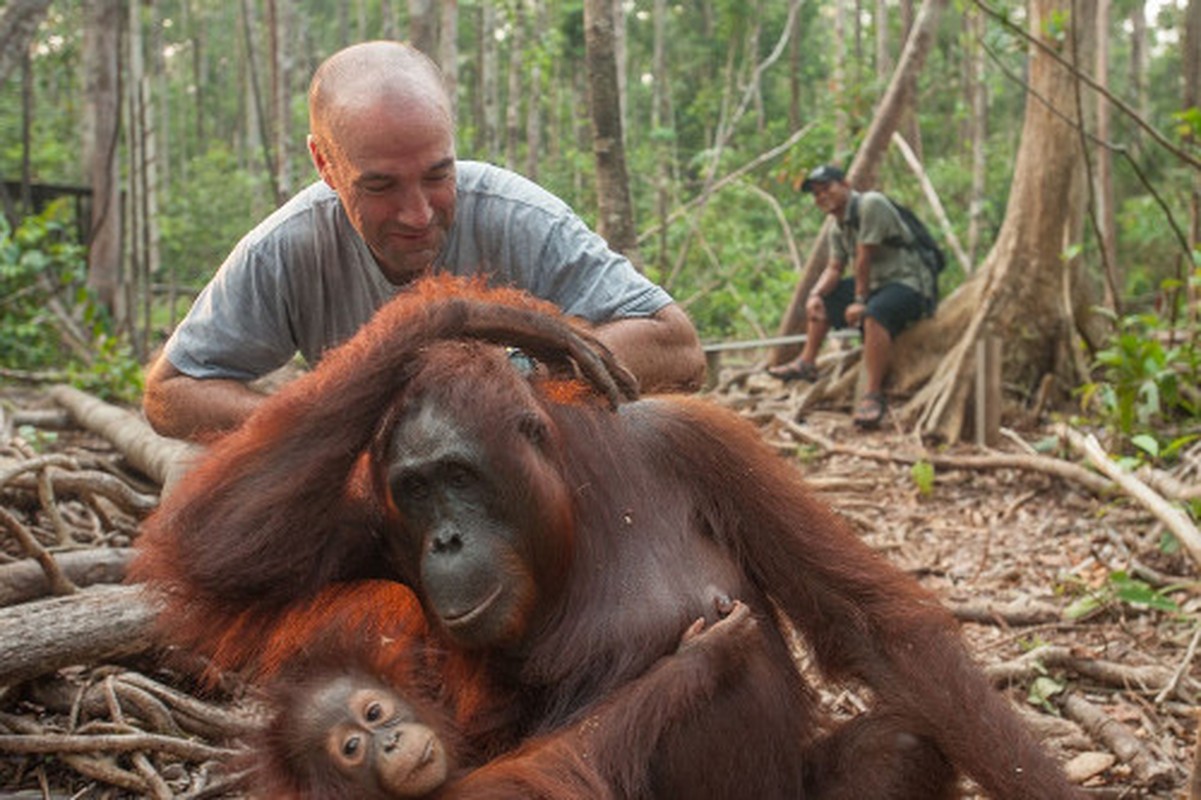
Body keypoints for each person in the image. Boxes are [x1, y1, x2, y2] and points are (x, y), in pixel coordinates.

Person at [143, 40, 705, 441]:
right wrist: (319, 420)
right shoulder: (290, 247)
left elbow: (678, 348)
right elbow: (169, 393)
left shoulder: (515, 216)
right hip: (376, 481)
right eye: (381, 185)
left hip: (526, 463)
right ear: (326, 164)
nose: (417, 214)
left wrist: (511, 378)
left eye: (438, 175)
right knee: (197, 496)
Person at [768, 165, 934, 428]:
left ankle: (872, 395)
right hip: (876, 287)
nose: (822, 197)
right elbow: (835, 268)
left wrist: (859, 302)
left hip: (908, 284)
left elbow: (864, 256)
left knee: (874, 313)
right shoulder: (837, 226)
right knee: (826, 300)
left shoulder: (871, 205)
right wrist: (814, 295)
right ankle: (807, 362)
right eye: (816, 194)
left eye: (827, 188)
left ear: (845, 184)